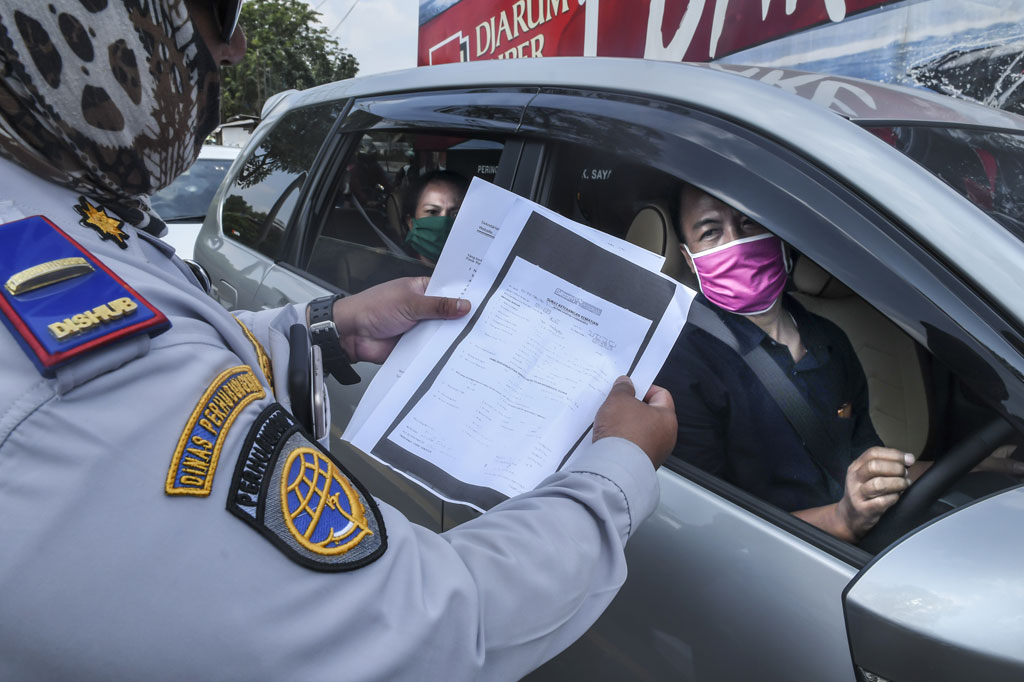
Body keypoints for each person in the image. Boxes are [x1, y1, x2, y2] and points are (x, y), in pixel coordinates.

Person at [0, 2, 677, 680]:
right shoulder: (74, 375)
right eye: (216, 7)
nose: (234, 46)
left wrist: (327, 328)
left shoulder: (52, 207)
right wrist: (619, 470)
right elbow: (420, 628)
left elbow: (185, 345)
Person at [656, 183, 1019, 543]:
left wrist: (973, 465)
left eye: (748, 222)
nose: (736, 242)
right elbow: (706, 529)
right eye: (711, 232)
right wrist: (841, 519)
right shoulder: (682, 366)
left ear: (777, 231)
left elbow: (867, 465)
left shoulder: (830, 338)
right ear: (690, 258)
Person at [401, 169, 469, 264]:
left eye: (456, 214)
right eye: (432, 212)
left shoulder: (484, 274)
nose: (443, 222)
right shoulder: (393, 273)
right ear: (410, 223)